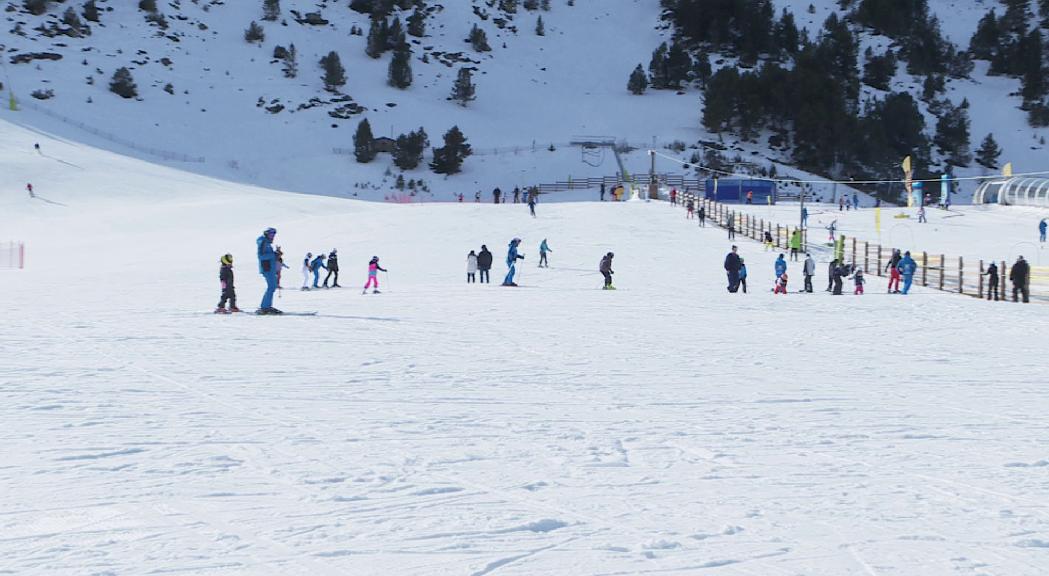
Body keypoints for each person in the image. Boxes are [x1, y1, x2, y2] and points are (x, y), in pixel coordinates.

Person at [256, 227, 282, 315]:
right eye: (271, 234)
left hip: (270, 268)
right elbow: (261, 256)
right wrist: (274, 254)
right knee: (271, 287)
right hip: (266, 268)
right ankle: (264, 307)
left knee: (273, 286)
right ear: (266, 234)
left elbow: (269, 256)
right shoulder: (263, 242)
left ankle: (267, 306)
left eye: (274, 234)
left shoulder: (267, 243)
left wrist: (276, 255)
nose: (273, 236)